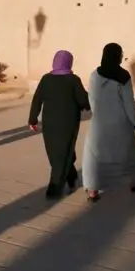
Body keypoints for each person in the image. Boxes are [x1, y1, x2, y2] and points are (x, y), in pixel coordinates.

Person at [82, 43, 135, 202]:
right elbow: (129, 104)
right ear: (117, 56)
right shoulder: (123, 77)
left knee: (94, 156)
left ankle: (93, 190)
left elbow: (92, 100)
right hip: (121, 124)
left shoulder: (94, 75)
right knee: (126, 155)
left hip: (99, 124)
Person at [28, 50, 90, 198]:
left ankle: (54, 189)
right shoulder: (73, 80)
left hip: (50, 123)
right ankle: (72, 176)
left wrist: (33, 119)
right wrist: (87, 104)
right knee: (62, 152)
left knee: (58, 153)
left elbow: (36, 100)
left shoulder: (46, 79)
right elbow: (84, 101)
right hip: (67, 123)